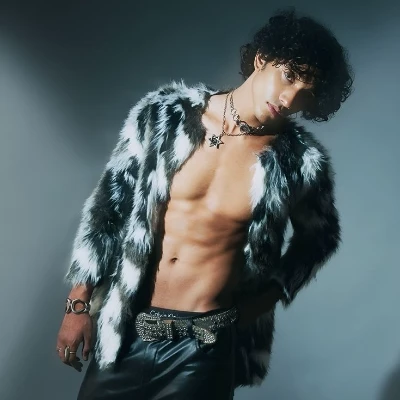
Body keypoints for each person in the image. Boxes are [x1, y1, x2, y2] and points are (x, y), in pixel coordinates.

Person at [56, 8, 353, 399]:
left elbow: (321, 238)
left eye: (306, 93)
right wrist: (78, 305)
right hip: (127, 333)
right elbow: (109, 209)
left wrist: (269, 295)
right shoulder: (164, 116)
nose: (289, 98)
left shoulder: (299, 163)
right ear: (262, 58)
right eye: (289, 75)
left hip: (204, 350)